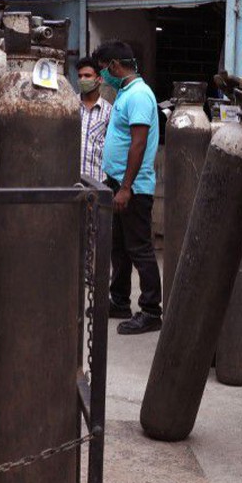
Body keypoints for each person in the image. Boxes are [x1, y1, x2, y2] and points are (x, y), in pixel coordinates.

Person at [94, 40, 163, 335]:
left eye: (102, 71)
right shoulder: (125, 93)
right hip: (118, 182)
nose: (101, 77)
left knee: (139, 248)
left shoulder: (139, 96)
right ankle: (119, 300)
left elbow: (139, 142)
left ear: (114, 66)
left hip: (132, 187)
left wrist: (126, 187)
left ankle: (150, 311)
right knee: (118, 247)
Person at [78, 56, 112, 181]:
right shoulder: (69, 107)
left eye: (87, 76)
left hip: (98, 181)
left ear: (100, 79)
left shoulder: (109, 111)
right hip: (70, 182)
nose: (82, 80)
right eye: (80, 76)